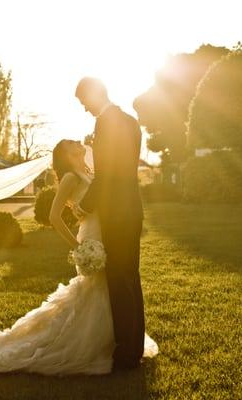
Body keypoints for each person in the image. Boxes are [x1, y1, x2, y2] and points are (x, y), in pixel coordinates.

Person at [0, 139, 157, 375]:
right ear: (67, 154)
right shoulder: (71, 177)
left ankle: (113, 341)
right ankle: (96, 345)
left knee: (107, 287)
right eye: (72, 143)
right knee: (96, 287)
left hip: (104, 232)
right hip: (92, 236)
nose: (78, 142)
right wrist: (78, 246)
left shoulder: (88, 172)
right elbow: (54, 216)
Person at [74, 77, 147, 370]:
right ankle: (134, 346)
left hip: (117, 212)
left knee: (119, 280)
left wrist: (84, 205)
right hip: (132, 209)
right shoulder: (130, 120)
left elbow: (108, 174)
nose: (84, 109)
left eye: (83, 102)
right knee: (130, 277)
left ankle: (126, 354)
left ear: (94, 95)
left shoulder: (106, 124)